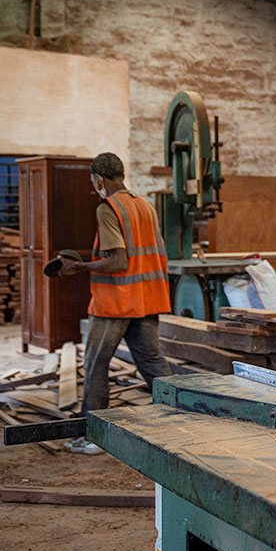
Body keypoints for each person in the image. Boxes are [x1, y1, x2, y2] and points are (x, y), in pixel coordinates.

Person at [59, 153, 172, 454]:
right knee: (154, 366)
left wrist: (79, 267)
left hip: (116, 303)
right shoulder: (145, 206)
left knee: (95, 365)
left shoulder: (108, 208)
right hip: (147, 299)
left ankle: (94, 436)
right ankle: (182, 425)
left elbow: (118, 260)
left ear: (99, 179)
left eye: (93, 182)